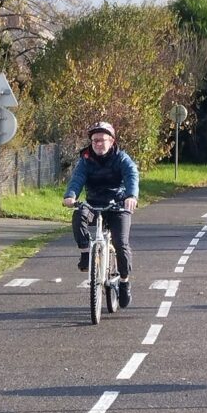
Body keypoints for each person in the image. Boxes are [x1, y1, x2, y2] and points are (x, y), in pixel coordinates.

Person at [62, 120, 139, 308]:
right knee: (79, 215)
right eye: (94, 140)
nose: (97, 144)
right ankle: (85, 253)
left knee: (121, 244)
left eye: (102, 140)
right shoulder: (86, 159)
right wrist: (71, 195)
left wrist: (131, 196)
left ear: (111, 141)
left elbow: (131, 176)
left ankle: (124, 281)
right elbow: (77, 178)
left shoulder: (121, 158)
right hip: (94, 203)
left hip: (118, 205)